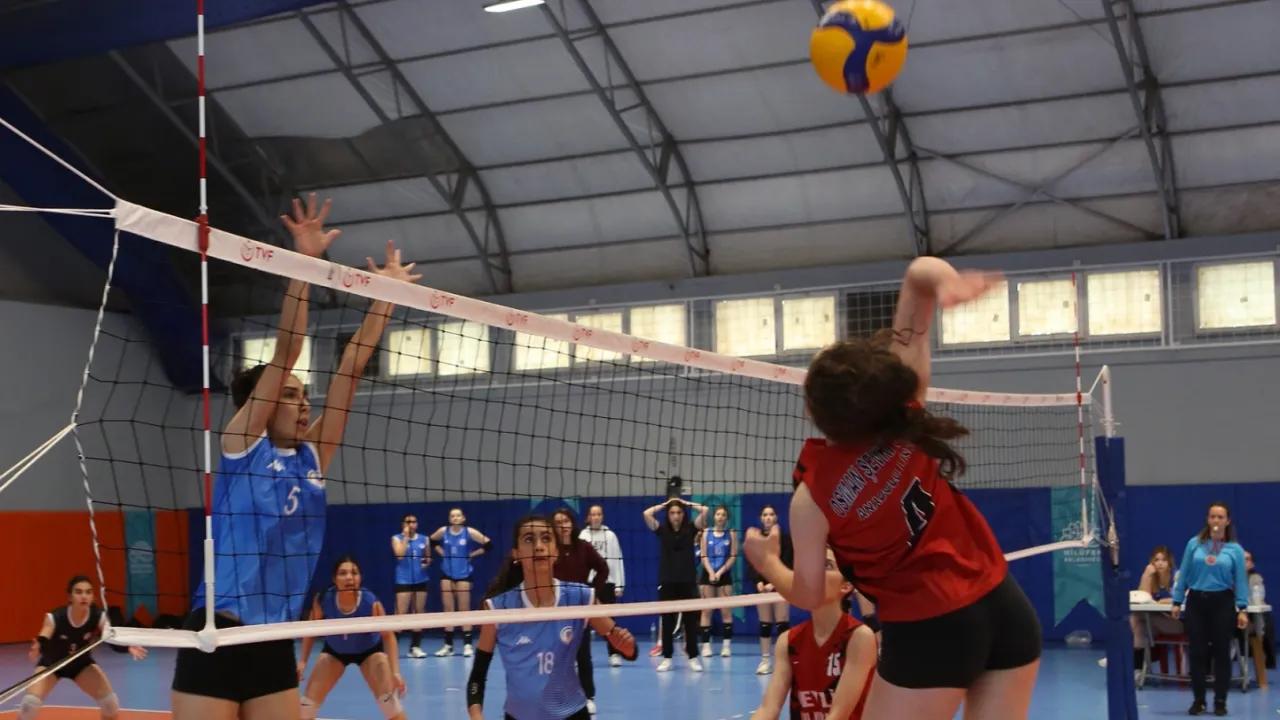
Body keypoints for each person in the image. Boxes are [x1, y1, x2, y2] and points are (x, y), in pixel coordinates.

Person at [745, 256, 1041, 720]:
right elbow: (920, 275)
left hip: (931, 631)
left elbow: (809, 593)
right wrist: (949, 283)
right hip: (1004, 608)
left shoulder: (812, 497)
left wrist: (767, 562)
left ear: (812, 413)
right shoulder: (907, 413)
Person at [171, 196, 418, 720]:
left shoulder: (312, 457)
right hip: (218, 632)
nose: (303, 403)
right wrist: (303, 262)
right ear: (258, 406)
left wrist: (386, 298)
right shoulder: (242, 445)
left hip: (275, 639)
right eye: (289, 394)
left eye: (305, 395)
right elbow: (287, 352)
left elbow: (351, 367)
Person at [466, 514, 637, 720]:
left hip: (572, 714)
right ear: (516, 554)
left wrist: (627, 646)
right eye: (529, 539)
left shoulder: (580, 597)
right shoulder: (497, 608)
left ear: (555, 551)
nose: (539, 546)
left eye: (546, 538)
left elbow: (624, 645)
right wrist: (476, 715)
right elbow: (477, 676)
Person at [750, 549, 878, 720]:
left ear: (846, 586)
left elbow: (838, 715)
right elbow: (768, 709)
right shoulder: (788, 641)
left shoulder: (859, 637)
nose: (815, 572)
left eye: (826, 565)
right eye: (812, 566)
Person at [17, 576, 147, 720]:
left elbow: (110, 640)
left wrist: (127, 648)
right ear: (70, 597)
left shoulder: (98, 616)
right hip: (52, 665)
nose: (84, 596)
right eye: (78, 592)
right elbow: (44, 636)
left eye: (88, 592)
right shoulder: (55, 617)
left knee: (110, 704)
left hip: (81, 665)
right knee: (29, 705)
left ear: (92, 597)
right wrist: (38, 646)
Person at [296, 555, 406, 720]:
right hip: (335, 652)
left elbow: (388, 636)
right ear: (334, 579)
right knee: (306, 708)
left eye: (354, 573)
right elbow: (310, 632)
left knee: (389, 704)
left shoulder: (370, 601)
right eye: (343, 573)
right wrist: (303, 662)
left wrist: (395, 672)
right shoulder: (324, 599)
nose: (349, 577)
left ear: (360, 578)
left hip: (369, 652)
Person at [1171, 502, 1249, 716]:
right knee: (1197, 652)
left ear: (1227, 521)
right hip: (1197, 602)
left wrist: (1242, 608)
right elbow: (1184, 573)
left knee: (1222, 654)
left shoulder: (1234, 549)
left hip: (1222, 602)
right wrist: (1177, 601)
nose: (1216, 520)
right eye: (1212, 516)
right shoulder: (1194, 544)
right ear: (1207, 519)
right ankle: (1199, 700)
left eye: (1220, 517)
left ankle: (1220, 701)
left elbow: (1241, 580)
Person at [551, 508, 610, 715]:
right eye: (558, 522)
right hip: (554, 609)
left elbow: (603, 568)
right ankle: (556, 697)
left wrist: (591, 593)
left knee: (582, 654)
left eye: (566, 521)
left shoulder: (583, 547)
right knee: (556, 656)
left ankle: (588, 697)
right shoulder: (550, 549)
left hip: (580, 609)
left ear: (572, 523)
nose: (562, 526)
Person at [642, 498, 708, 672]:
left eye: (679, 512)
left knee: (690, 622)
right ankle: (667, 658)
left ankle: (693, 657)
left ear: (683, 514)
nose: (676, 516)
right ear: (668, 515)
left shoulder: (691, 529)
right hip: (668, 582)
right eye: (672, 513)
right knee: (667, 622)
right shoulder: (662, 530)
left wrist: (685, 503)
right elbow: (646, 514)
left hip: (688, 582)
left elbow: (705, 510)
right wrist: (666, 504)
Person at [430, 507, 493, 657]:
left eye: (458, 515)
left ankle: (467, 645)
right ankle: (448, 646)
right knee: (448, 610)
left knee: (464, 610)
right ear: (449, 518)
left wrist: (473, 554)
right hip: (446, 574)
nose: (455, 518)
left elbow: (488, 544)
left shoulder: (469, 532)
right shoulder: (443, 531)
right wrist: (441, 552)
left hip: (464, 574)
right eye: (453, 516)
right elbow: (431, 540)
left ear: (463, 518)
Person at [747, 504, 793, 675]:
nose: (768, 517)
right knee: (765, 623)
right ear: (761, 518)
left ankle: (784, 661)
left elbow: (788, 563)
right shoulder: (757, 538)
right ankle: (765, 661)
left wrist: (774, 583)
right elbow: (753, 563)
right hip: (763, 588)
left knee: (782, 622)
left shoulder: (785, 539)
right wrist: (758, 582)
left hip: (780, 586)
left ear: (776, 517)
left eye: (771, 514)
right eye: (765, 514)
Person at [580, 504, 626, 667]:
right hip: (588, 584)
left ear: (602, 516)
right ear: (588, 517)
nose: (596, 517)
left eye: (599, 514)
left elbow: (617, 559)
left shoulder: (610, 535)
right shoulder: (583, 536)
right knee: (583, 622)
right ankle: (581, 656)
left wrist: (619, 585)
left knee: (609, 621)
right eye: (593, 514)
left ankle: (613, 654)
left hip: (607, 583)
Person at [698, 505, 739, 658]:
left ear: (727, 518)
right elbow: (703, 556)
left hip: (725, 575)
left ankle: (726, 647)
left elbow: (733, 556)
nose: (720, 517)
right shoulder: (706, 533)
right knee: (706, 610)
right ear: (714, 516)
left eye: (723, 515)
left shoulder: (731, 533)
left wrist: (720, 572)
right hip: (707, 574)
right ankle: (706, 646)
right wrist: (711, 572)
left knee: (726, 611)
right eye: (718, 514)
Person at [1132, 546, 1181, 672]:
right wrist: (1146, 574)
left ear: (1169, 562)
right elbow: (1142, 597)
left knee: (1137, 616)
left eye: (1163, 560)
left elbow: (1181, 597)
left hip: (1177, 623)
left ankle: (1118, 657)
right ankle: (1138, 669)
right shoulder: (1152, 577)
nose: (1160, 563)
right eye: (1156, 560)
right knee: (1139, 627)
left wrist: (1163, 602)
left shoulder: (1176, 575)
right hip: (1158, 624)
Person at [392, 514, 431, 658]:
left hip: (421, 580)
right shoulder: (396, 538)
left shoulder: (424, 539)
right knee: (400, 614)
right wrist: (406, 537)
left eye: (414, 522)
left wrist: (427, 562)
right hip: (403, 580)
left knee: (419, 613)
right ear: (403, 524)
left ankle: (415, 647)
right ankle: (392, 648)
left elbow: (428, 557)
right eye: (408, 522)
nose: (411, 524)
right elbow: (400, 555)